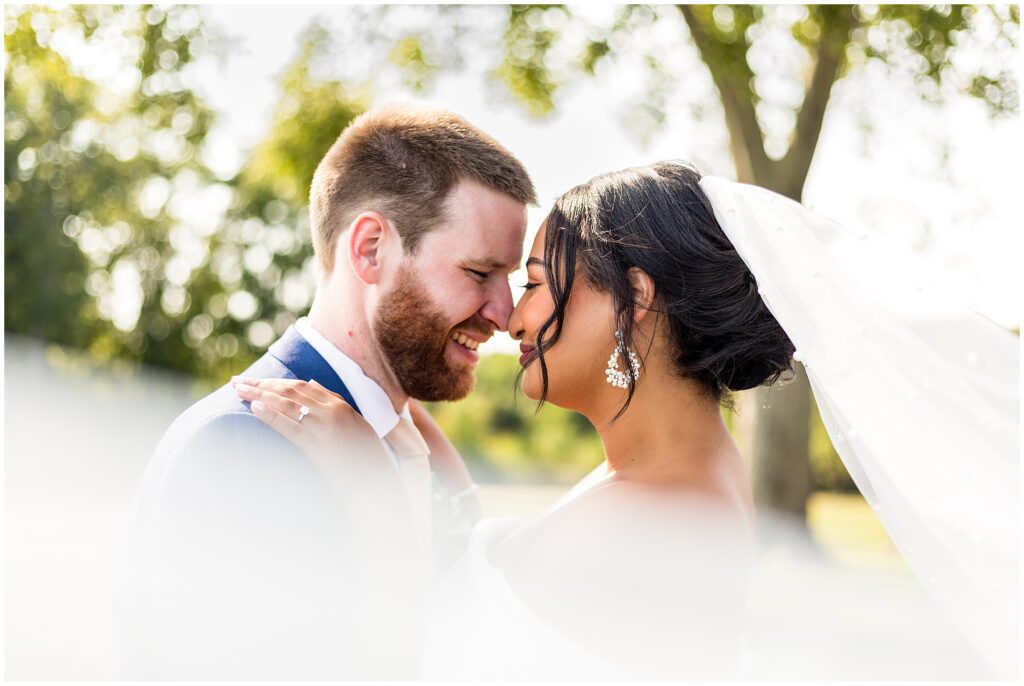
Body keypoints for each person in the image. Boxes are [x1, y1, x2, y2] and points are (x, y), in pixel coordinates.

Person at [239, 160, 1019, 679]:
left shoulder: (661, 514)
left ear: (635, 299)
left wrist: (373, 498)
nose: (511, 318)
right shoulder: (663, 473)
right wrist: (422, 458)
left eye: (539, 283)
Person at [115, 104, 536, 679]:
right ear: (370, 249)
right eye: (478, 272)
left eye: (509, 278)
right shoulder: (244, 443)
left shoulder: (416, 447)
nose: (504, 313)